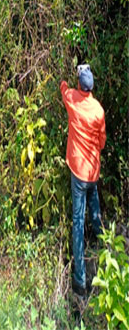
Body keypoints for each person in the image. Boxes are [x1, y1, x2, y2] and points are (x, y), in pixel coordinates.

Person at [60, 64, 106, 297]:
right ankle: (105, 254)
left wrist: (66, 82)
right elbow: (102, 143)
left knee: (78, 222)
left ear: (80, 85)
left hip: (78, 172)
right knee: (95, 213)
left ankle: (79, 280)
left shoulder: (72, 101)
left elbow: (63, 88)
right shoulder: (98, 110)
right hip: (93, 173)